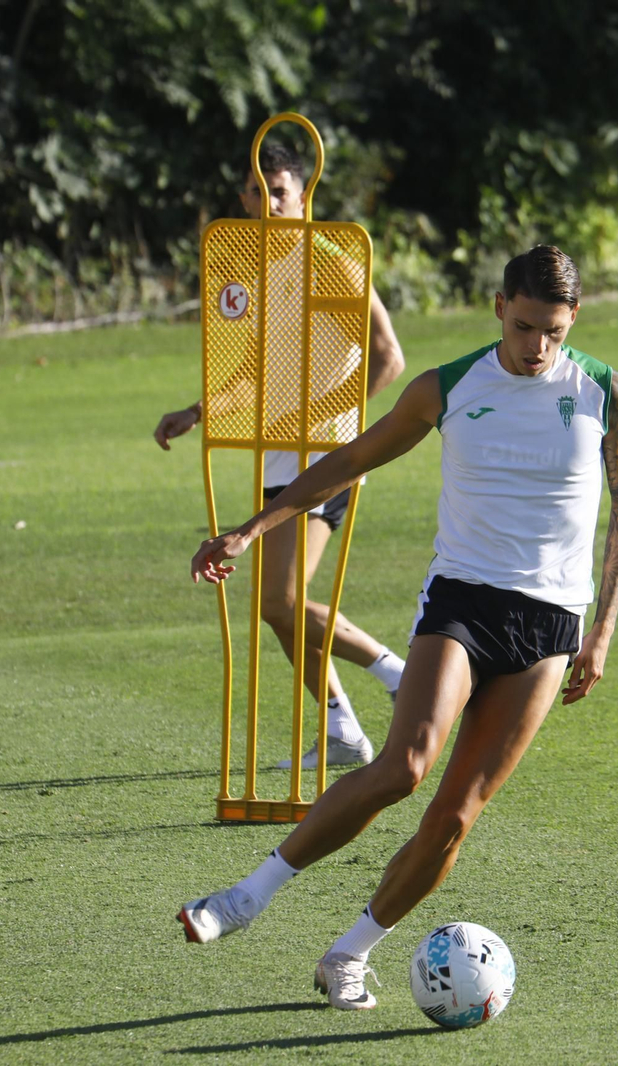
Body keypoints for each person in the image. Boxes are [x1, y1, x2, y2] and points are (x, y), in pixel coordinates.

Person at [177, 245, 618, 1012]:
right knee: (403, 766)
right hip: (463, 603)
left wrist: (605, 628)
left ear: (574, 321)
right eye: (526, 326)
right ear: (499, 306)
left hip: (553, 627)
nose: (538, 348)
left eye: (554, 332)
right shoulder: (448, 387)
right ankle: (242, 899)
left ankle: (349, 954)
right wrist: (252, 529)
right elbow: (353, 456)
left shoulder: (603, 391)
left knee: (455, 818)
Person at [154, 143, 408, 769]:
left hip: (325, 453)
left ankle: (401, 676)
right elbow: (259, 366)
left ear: (303, 195)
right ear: (241, 198)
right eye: (255, 191)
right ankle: (343, 725)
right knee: (275, 606)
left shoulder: (329, 258)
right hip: (277, 454)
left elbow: (388, 355)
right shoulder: (262, 267)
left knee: (282, 601)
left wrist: (334, 421)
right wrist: (199, 409)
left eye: (279, 191)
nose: (265, 202)